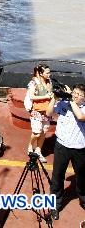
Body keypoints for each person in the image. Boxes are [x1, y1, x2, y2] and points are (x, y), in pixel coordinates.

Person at [46, 83, 85, 220]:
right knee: (57, 176)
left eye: (80, 94)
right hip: (61, 146)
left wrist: (70, 98)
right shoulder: (63, 103)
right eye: (74, 92)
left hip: (79, 148)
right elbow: (49, 113)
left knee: (82, 176)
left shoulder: (82, 107)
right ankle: (55, 205)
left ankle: (83, 199)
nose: (76, 95)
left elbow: (80, 117)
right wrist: (54, 98)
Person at [26, 64, 53, 162]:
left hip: (46, 111)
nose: (49, 74)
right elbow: (32, 96)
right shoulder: (33, 82)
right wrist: (46, 97)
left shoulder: (49, 81)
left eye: (49, 72)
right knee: (37, 133)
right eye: (47, 72)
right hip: (37, 111)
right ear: (41, 73)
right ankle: (30, 145)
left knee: (43, 132)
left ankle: (38, 151)